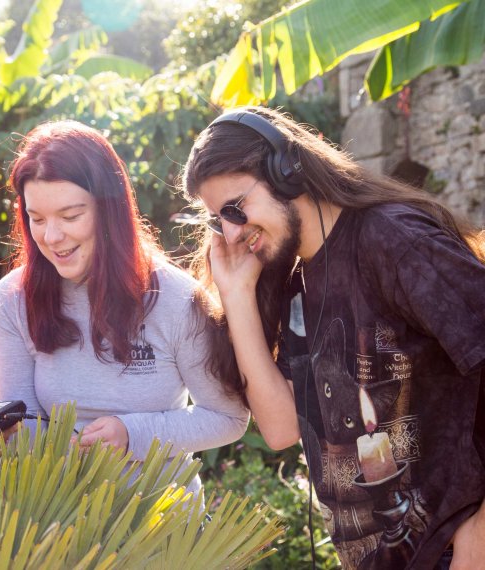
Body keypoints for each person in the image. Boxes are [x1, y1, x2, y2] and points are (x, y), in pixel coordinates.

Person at [182, 105, 485, 569]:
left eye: (235, 209)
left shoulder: (393, 239)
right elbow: (282, 428)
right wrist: (238, 294)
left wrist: (477, 535)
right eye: (216, 220)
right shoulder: (288, 275)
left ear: (288, 172)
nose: (230, 232)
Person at [0, 120, 249, 497]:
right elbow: (31, 437)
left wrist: (132, 434)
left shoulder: (176, 298)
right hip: (58, 525)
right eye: (37, 219)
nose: (52, 237)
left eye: (70, 217)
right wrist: (9, 427)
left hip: (163, 527)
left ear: (109, 211)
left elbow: (227, 418)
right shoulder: (12, 300)